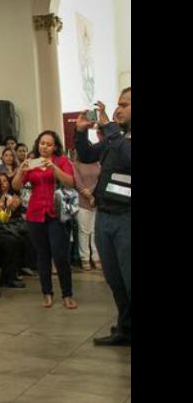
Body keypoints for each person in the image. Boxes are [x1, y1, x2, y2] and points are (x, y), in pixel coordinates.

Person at [75, 88, 131, 346]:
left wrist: (110, 128)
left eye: (124, 105)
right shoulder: (114, 138)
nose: (117, 109)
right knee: (114, 278)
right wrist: (80, 131)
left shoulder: (118, 137)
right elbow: (86, 155)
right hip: (105, 216)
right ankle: (125, 329)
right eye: (118, 104)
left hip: (126, 218)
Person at [12, 130, 77, 310]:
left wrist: (54, 168)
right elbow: (16, 186)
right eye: (42, 143)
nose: (45, 147)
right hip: (35, 213)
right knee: (43, 255)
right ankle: (47, 293)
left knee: (60, 255)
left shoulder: (61, 161)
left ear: (55, 146)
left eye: (49, 144)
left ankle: (67, 294)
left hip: (56, 213)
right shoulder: (31, 162)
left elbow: (70, 182)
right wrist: (20, 171)